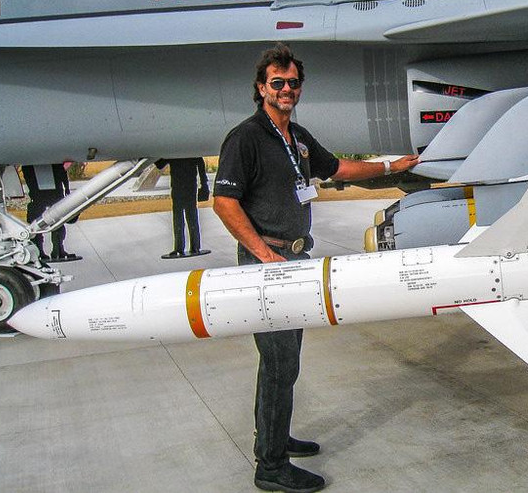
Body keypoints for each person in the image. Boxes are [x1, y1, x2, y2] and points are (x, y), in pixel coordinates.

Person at [212, 43, 418, 493]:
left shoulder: (297, 138)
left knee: (284, 360)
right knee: (279, 361)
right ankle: (270, 467)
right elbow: (224, 202)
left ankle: (275, 438)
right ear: (261, 88)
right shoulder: (246, 138)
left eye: (293, 83)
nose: (286, 89)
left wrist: (392, 165)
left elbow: (337, 167)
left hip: (294, 259)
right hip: (267, 263)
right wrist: (263, 254)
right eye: (277, 83)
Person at [21, 163, 81, 262]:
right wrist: (66, 188)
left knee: (56, 222)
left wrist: (66, 188)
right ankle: (44, 251)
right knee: (40, 222)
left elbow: (61, 171)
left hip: (47, 191)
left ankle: (56, 250)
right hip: (42, 193)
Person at [155, 157, 211, 259]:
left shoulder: (181, 153)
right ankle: (180, 248)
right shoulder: (176, 153)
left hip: (188, 188)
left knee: (190, 218)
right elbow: (160, 164)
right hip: (179, 188)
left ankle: (193, 247)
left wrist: (204, 184)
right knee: (180, 219)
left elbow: (200, 165)